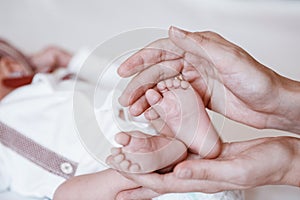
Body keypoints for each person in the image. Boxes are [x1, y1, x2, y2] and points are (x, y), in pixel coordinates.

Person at [0, 39, 241, 200]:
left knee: (146, 96)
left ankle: (178, 142)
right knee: (66, 195)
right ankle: (171, 150)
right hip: (98, 176)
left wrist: (66, 59)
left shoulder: (63, 78)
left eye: (9, 58)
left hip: (137, 138)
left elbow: (122, 77)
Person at [112, 26, 300, 199]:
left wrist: (291, 160)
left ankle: (169, 149)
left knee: (104, 178)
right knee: (110, 176)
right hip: (204, 184)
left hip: (197, 181)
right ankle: (165, 151)